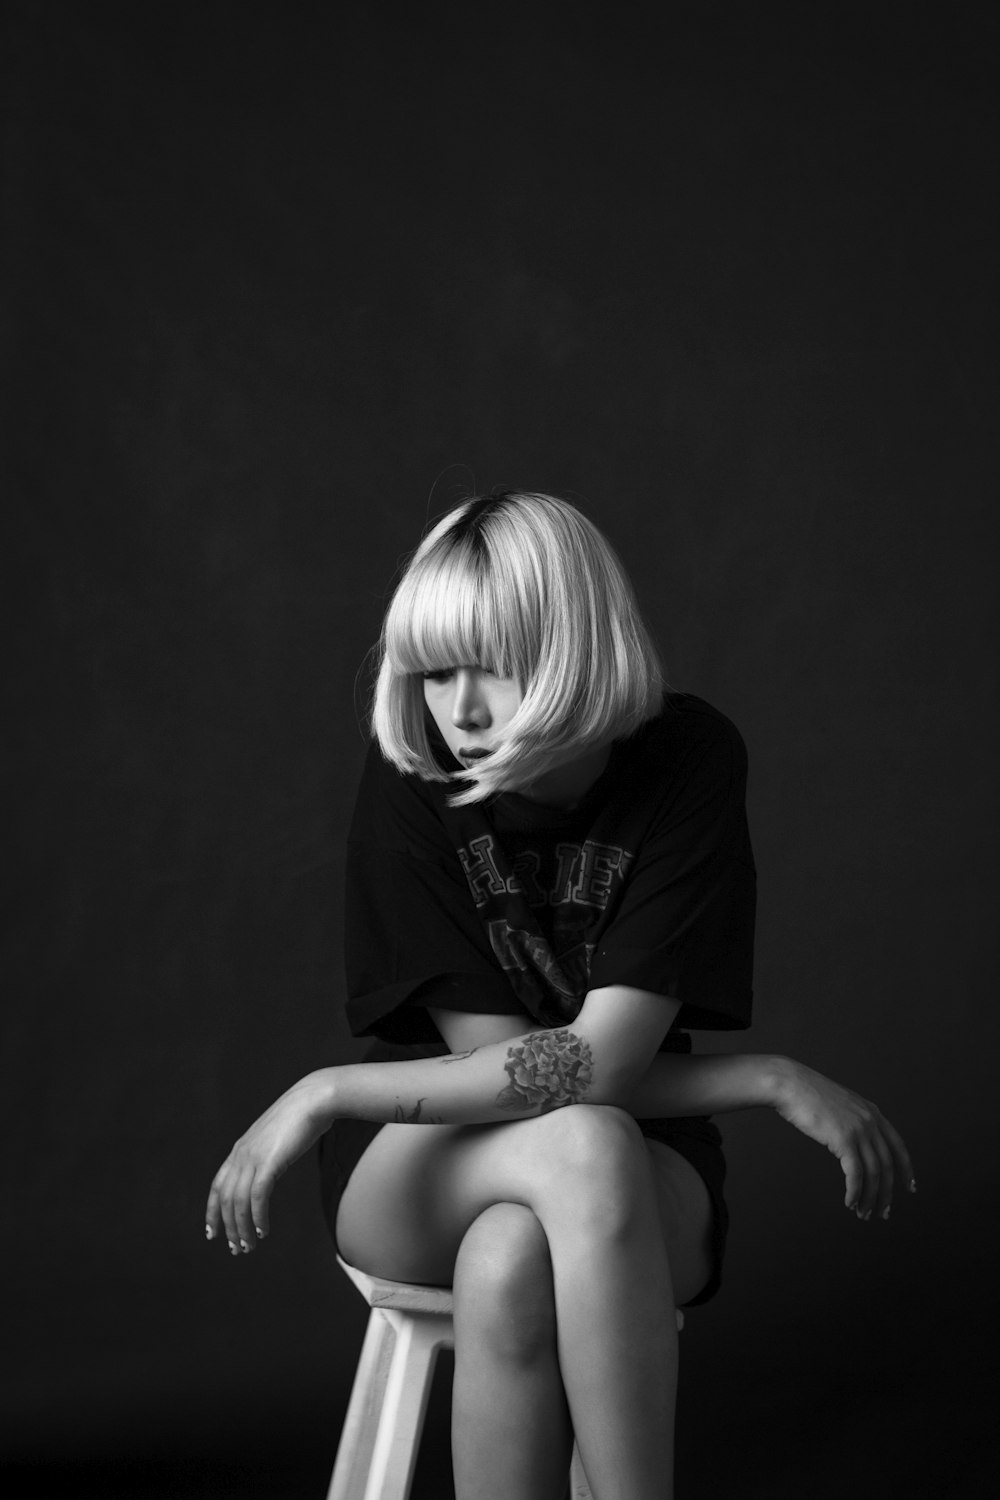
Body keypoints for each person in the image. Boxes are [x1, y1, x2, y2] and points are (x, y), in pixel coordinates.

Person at [206, 489, 914, 1500]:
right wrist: (327, 1093)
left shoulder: (684, 759)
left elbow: (599, 1068)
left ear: (574, 644)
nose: (461, 711)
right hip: (425, 1160)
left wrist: (759, 1074)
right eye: (435, 671)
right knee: (581, 1143)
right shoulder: (414, 774)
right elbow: (537, 1085)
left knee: (511, 1254)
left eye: (491, 662)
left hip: (634, 1155)